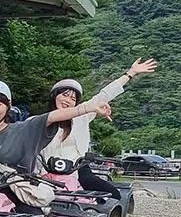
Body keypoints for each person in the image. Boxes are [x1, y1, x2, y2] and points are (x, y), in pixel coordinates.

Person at [0, 79, 115, 212]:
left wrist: (89, 108)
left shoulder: (25, 128)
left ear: (8, 106)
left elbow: (52, 117)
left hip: (14, 193)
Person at [41, 58, 157, 196]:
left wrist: (130, 73)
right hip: (45, 172)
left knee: (113, 194)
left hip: (77, 170)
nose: (68, 100)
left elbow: (104, 95)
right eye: (65, 95)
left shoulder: (81, 116)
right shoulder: (39, 121)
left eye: (73, 98)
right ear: (54, 96)